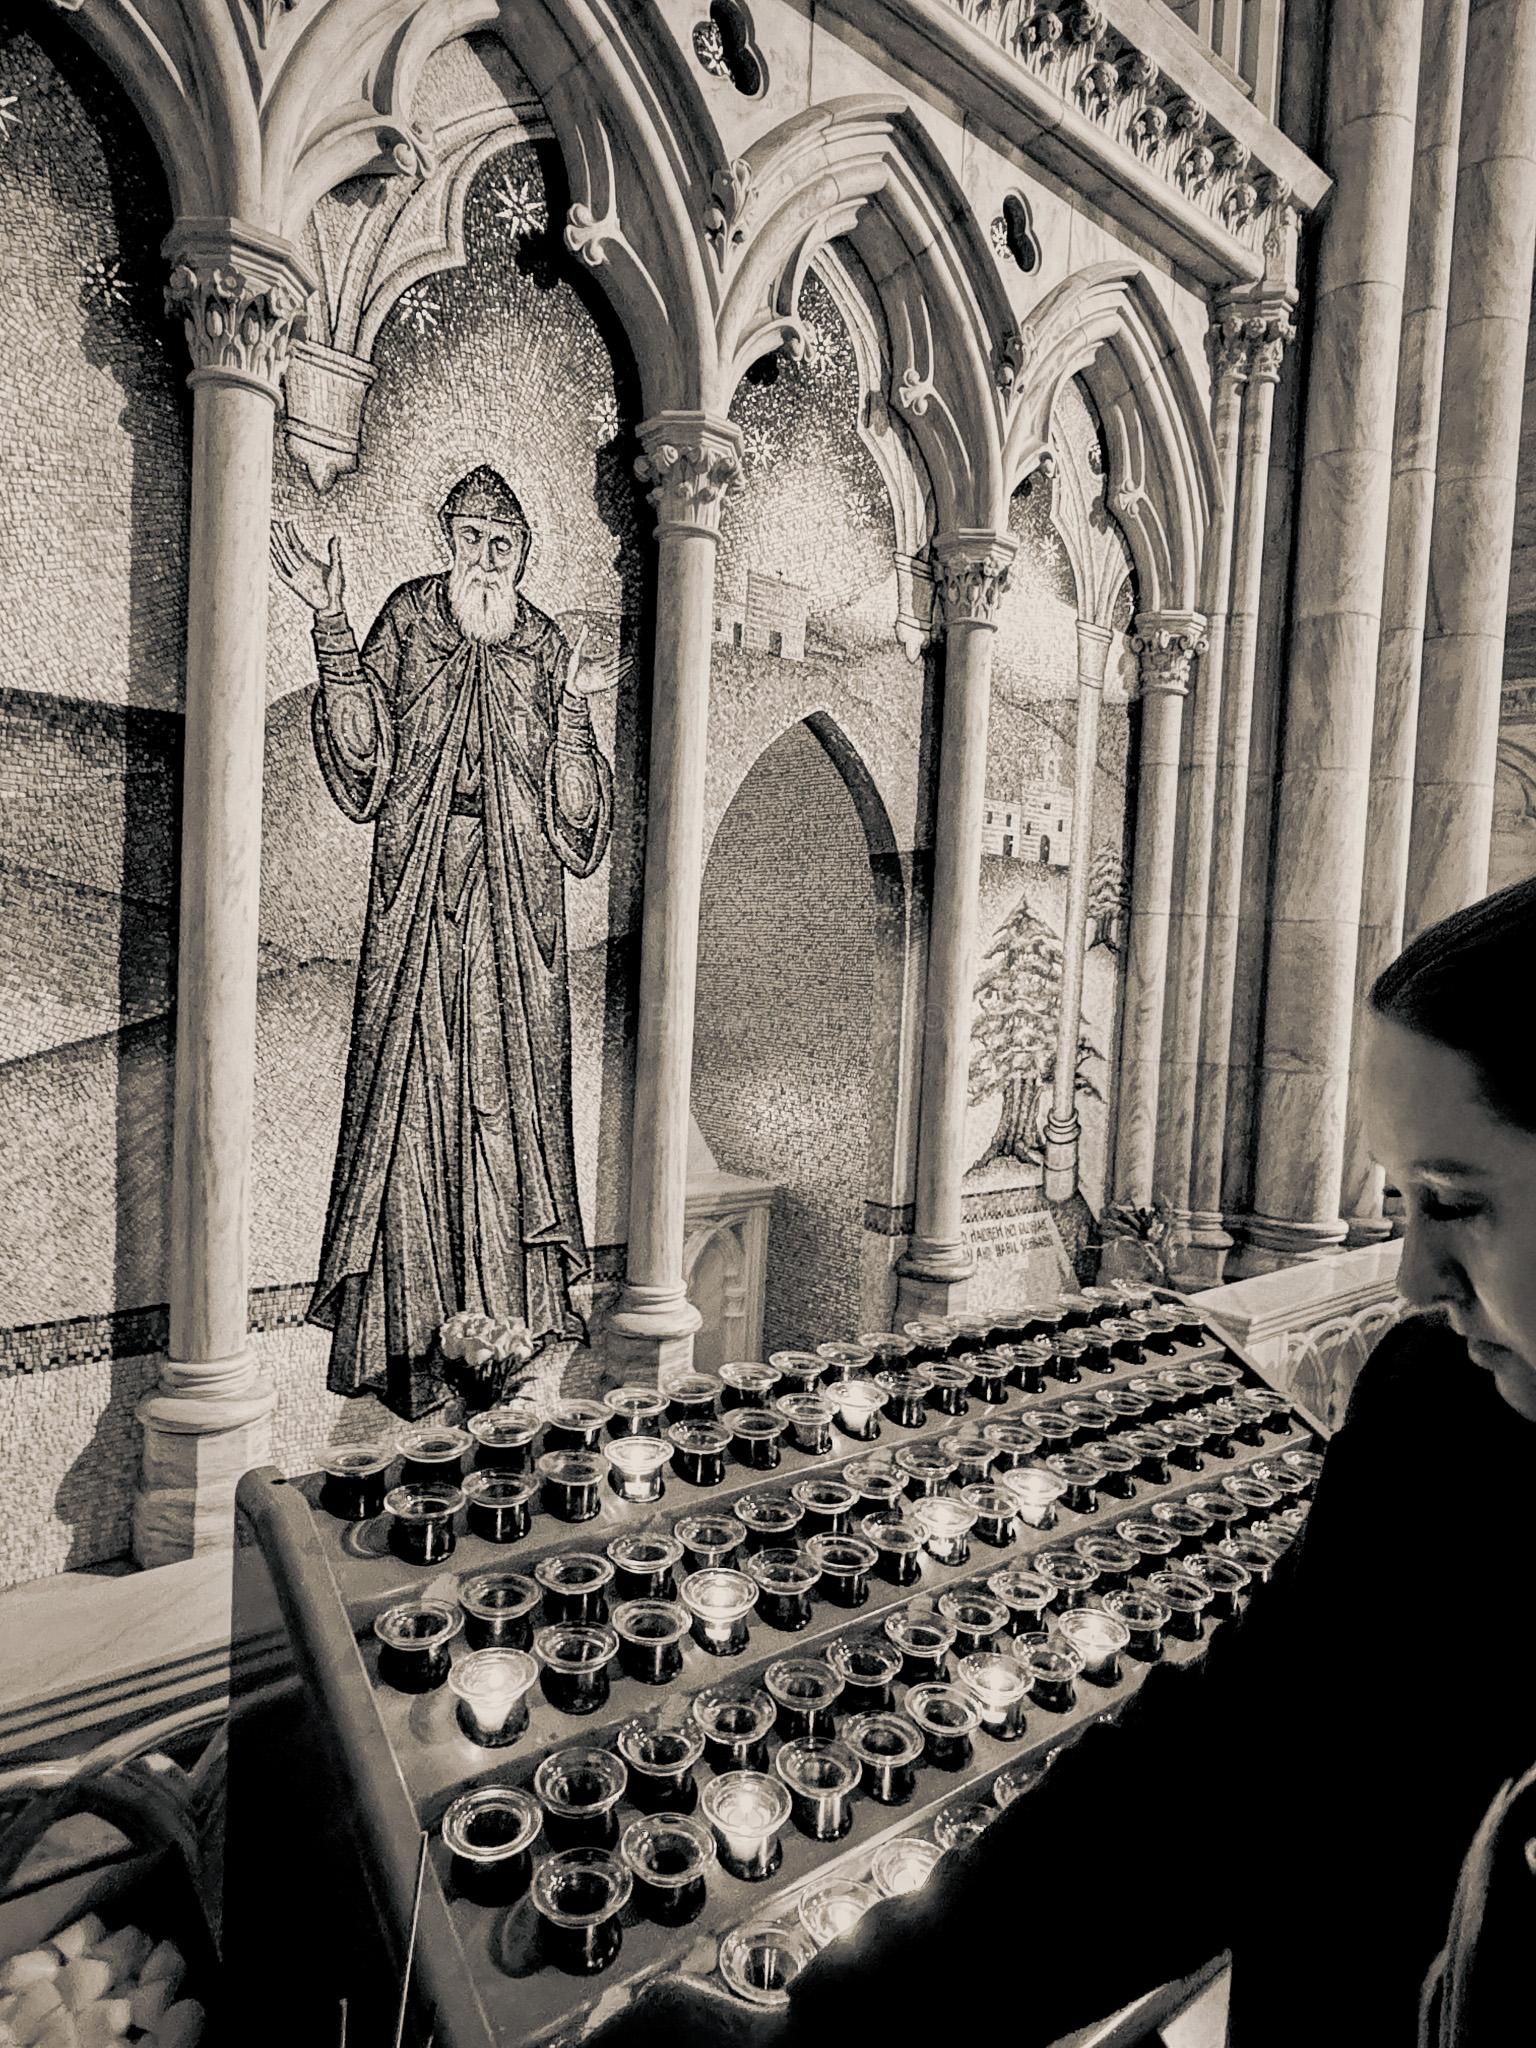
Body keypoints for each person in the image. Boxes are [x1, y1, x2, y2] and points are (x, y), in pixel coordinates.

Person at [599, 877, 1536, 2046]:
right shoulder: (1439, 1414)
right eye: (1398, 1200)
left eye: (1455, 1201)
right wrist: (825, 2033)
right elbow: (1223, 1773)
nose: (1411, 1278)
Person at [269, 467, 621, 1418]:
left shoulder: (547, 648)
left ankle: (508, 1341)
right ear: (444, 537)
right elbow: (364, 760)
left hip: (514, 923)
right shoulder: (412, 622)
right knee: (415, 1110)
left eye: (502, 546)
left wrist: (579, 712)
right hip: (423, 905)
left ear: (523, 556)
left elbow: (580, 827)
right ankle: (413, 1345)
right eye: (470, 538)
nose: (485, 560)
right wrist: (334, 627)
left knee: (506, 1118)